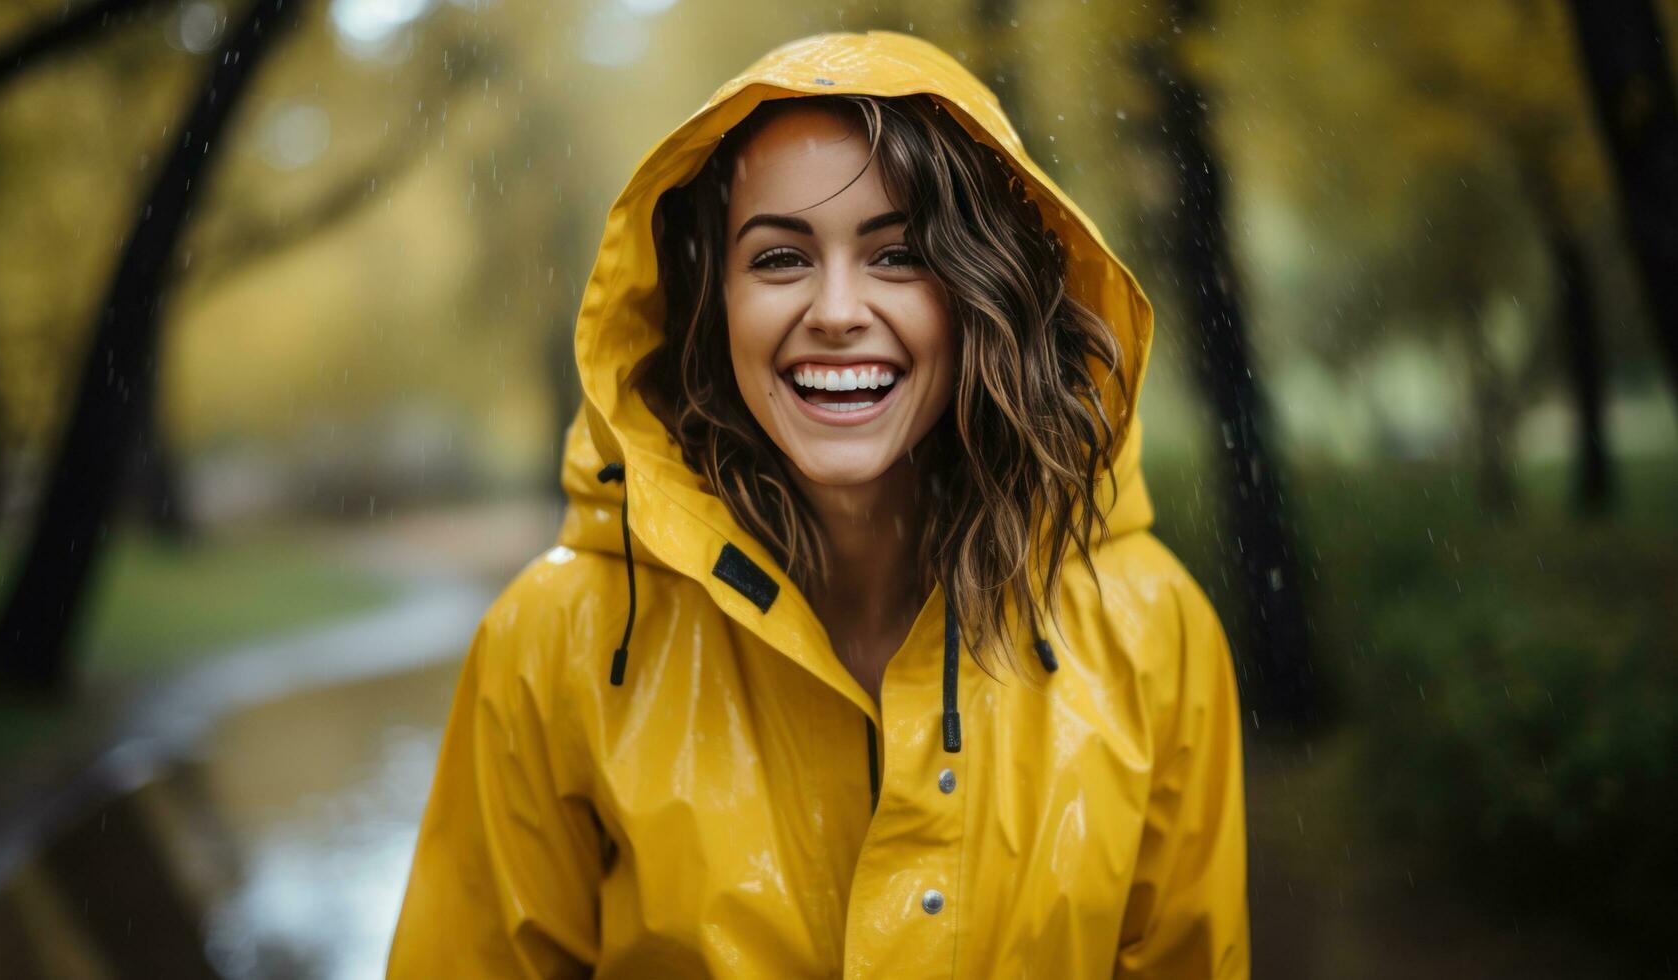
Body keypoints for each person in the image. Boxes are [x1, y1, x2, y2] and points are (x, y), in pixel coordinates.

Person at [387, 30, 1248, 979]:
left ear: (985, 294)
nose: (836, 310)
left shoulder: (1152, 632)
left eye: (899, 255)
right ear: (708, 302)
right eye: (780, 259)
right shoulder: (554, 648)